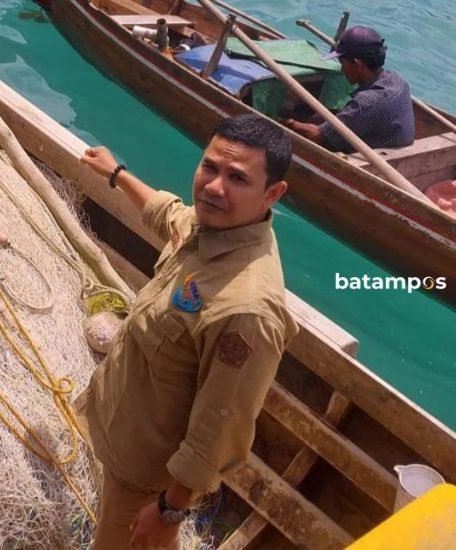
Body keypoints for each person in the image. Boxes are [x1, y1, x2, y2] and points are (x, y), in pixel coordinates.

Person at [77, 114, 299, 549]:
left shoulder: (247, 308)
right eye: (210, 167)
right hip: (125, 428)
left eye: (237, 177)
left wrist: (168, 511)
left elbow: (219, 428)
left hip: (146, 478)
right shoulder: (210, 226)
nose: (214, 187)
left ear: (273, 193)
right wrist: (117, 174)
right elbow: (168, 215)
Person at [285, 25, 415, 153]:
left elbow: (316, 135)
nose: (342, 69)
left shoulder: (367, 102)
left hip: (372, 159)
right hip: (391, 144)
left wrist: (288, 123)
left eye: (343, 64)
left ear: (358, 64)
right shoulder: (397, 80)